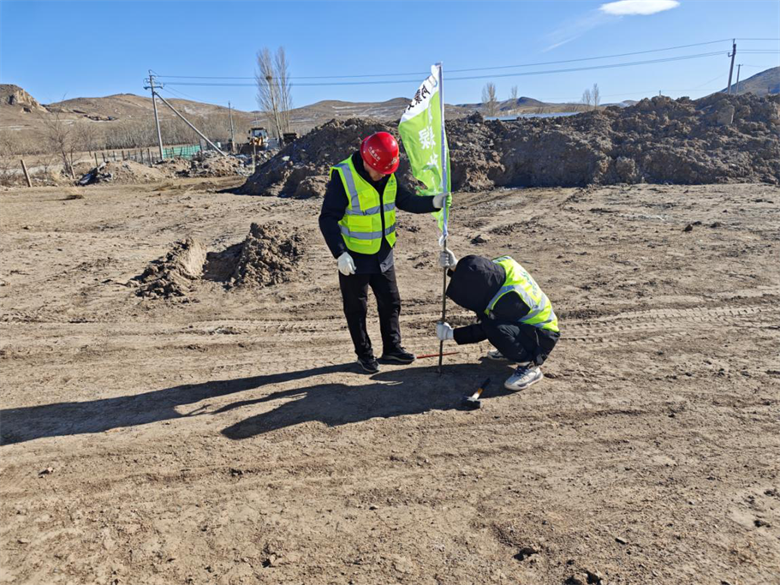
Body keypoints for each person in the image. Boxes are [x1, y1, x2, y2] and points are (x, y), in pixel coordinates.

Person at [319, 131, 447, 374]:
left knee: (391, 302)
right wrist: (339, 254)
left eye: (387, 171)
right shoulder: (343, 177)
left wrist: (433, 203)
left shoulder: (387, 172)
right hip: (354, 256)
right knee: (357, 309)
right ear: (366, 160)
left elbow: (405, 200)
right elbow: (327, 218)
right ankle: (364, 355)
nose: (383, 175)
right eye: (379, 170)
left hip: (383, 252)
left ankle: (392, 349)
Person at [435, 251, 560, 391]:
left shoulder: (510, 299)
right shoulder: (505, 264)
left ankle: (529, 365)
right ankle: (512, 348)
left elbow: (484, 329)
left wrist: (451, 334)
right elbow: (481, 273)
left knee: (494, 327)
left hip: (541, 337)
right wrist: (456, 266)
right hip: (527, 326)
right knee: (491, 317)